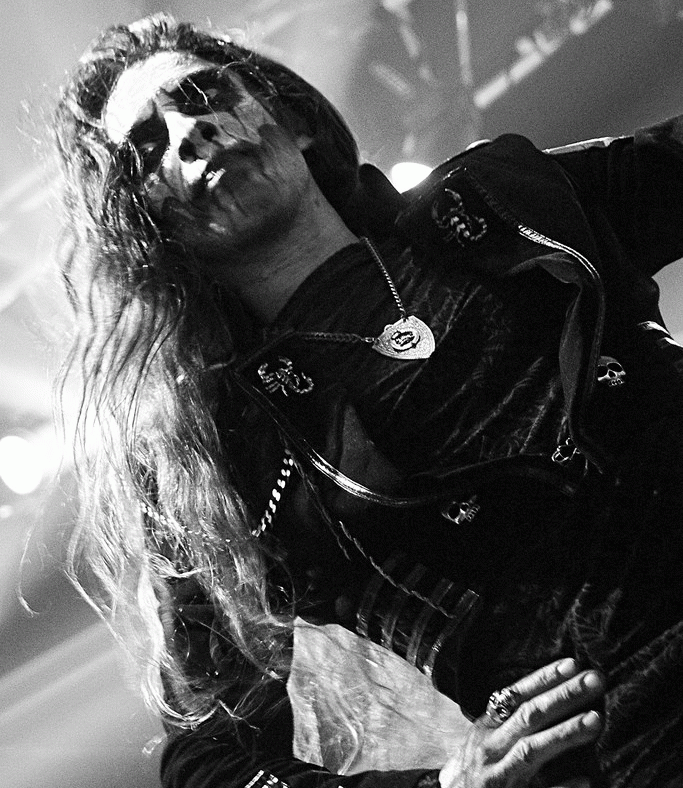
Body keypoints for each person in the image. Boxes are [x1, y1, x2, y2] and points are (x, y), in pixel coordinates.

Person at [53, 12, 683, 788]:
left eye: (203, 94)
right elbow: (207, 759)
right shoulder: (220, 456)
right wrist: (444, 785)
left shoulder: (498, 204)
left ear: (294, 121)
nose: (189, 132)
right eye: (147, 148)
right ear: (148, 224)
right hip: (645, 728)